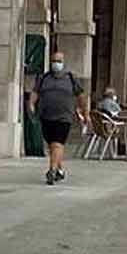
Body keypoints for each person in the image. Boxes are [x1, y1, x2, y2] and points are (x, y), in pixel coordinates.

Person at [30, 50, 87, 186]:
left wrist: (85, 113)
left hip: (64, 117)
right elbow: (35, 92)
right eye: (54, 61)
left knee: (57, 144)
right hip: (46, 116)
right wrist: (31, 104)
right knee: (52, 146)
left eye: (59, 61)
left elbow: (82, 96)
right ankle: (59, 169)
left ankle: (52, 170)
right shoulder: (44, 78)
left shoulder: (71, 78)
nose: (56, 64)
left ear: (63, 63)